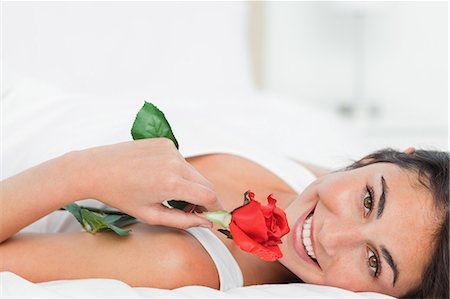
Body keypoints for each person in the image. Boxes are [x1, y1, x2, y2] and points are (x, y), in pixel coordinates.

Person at [0, 138, 448, 298]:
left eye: (374, 262)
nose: (333, 234)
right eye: (369, 200)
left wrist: (82, 172)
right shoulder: (308, 178)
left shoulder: (180, 262)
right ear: (376, 157)